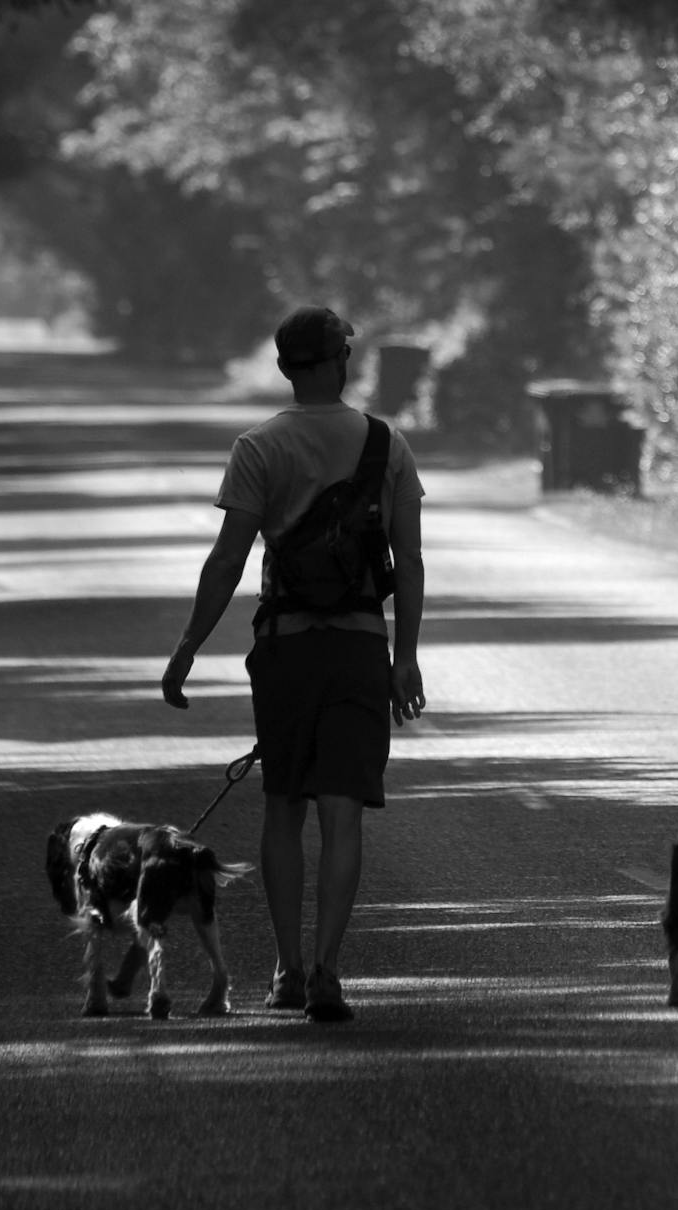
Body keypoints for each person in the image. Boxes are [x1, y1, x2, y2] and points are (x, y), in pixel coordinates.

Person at [162, 305, 427, 1023]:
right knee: (344, 812)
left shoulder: (259, 447)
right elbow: (409, 562)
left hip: (287, 648)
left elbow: (226, 561)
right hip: (359, 647)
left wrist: (188, 646)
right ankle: (328, 972)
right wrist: (404, 658)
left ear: (284, 367)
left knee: (284, 805)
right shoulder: (387, 444)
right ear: (343, 359)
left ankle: (284, 968)